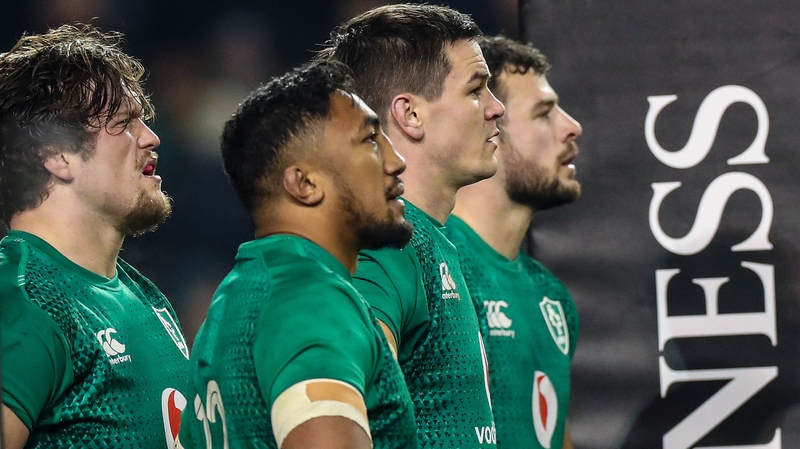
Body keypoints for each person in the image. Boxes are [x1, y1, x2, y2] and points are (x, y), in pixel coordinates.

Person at [175, 60, 418, 449]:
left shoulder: (228, 305)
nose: (396, 161)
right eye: (370, 141)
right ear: (304, 183)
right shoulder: (312, 300)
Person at [318, 5, 506, 447]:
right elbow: (343, 412)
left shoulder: (427, 237)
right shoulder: (385, 243)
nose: (496, 109)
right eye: (477, 89)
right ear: (410, 115)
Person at [0, 24, 189, 449]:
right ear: (58, 156)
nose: (151, 138)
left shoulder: (144, 295)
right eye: (125, 123)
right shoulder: (21, 298)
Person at [446, 35, 583, 449]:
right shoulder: (429, 265)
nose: (571, 127)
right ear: (489, 126)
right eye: (544, 113)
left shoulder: (551, 295)